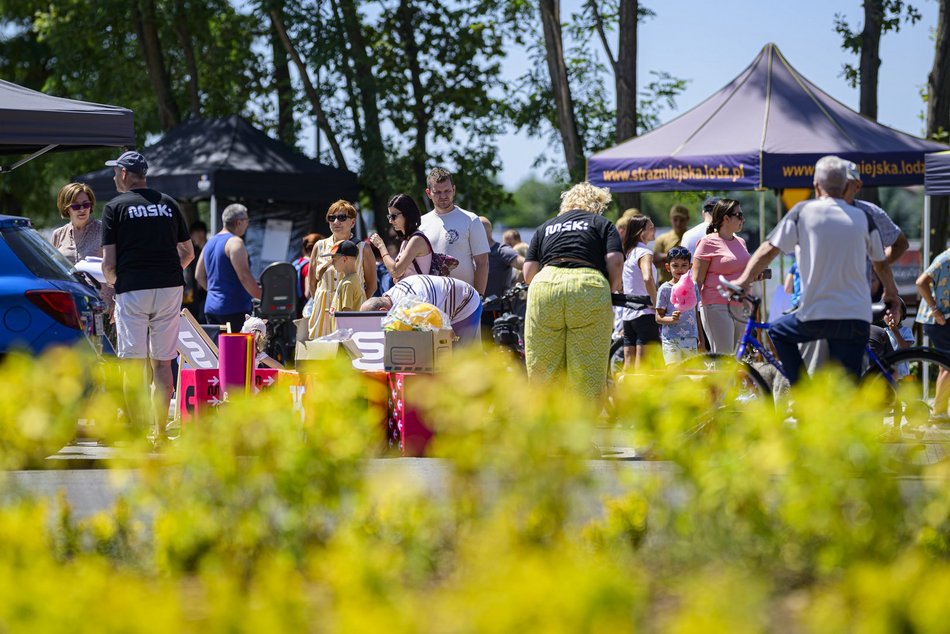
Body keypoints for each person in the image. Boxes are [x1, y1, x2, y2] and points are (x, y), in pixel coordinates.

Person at [731, 155, 900, 385]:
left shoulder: (802, 212)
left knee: (778, 331)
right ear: (845, 186)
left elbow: (767, 251)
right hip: (856, 315)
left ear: (815, 185)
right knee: (848, 386)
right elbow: (880, 263)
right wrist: (891, 293)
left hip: (816, 314)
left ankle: (803, 392)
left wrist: (743, 281)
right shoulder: (863, 217)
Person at [100, 150, 194, 442]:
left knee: (133, 364)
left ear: (125, 174)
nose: (115, 177)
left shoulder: (114, 207)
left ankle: (139, 435)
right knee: (163, 363)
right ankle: (161, 434)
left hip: (133, 289)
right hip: (169, 286)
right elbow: (188, 253)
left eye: (116, 172)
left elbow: (107, 264)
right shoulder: (168, 204)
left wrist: (119, 284)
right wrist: (164, 272)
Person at [522, 182, 623, 402]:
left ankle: (544, 428)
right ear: (597, 205)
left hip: (546, 285)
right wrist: (611, 289)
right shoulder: (602, 224)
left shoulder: (545, 227)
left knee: (543, 369)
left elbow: (528, 273)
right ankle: (582, 431)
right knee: (587, 371)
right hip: (588, 285)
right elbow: (614, 261)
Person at [306, 200, 377, 338]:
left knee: (350, 353)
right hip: (323, 313)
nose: (336, 221)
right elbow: (312, 283)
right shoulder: (319, 246)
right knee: (322, 355)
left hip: (351, 312)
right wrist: (320, 301)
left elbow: (372, 285)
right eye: (332, 218)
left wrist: (358, 303)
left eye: (342, 217)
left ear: (352, 222)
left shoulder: (364, 249)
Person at [51, 182, 116, 332]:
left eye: (86, 204)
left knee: (104, 354)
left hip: (102, 308)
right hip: (69, 309)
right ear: (66, 207)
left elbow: (117, 267)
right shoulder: (58, 234)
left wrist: (115, 301)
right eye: (76, 206)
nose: (82, 209)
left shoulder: (104, 231)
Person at [692, 199, 750, 354]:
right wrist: (692, 314)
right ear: (726, 218)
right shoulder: (707, 242)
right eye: (739, 215)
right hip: (715, 304)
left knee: (738, 361)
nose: (742, 219)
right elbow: (697, 280)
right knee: (724, 359)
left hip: (740, 304)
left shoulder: (741, 242)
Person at [420, 167, 490, 294]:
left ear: (454, 190)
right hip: (431, 297)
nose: (443, 196)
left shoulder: (470, 220)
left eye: (447, 191)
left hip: (464, 298)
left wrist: (479, 296)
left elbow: (482, 262)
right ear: (428, 193)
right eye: (437, 192)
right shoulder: (421, 224)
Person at [360, 275, 483, 346]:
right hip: (444, 300)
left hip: (465, 301)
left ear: (382, 311)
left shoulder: (410, 302)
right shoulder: (390, 298)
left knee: (459, 353)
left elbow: (433, 330)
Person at [195, 204, 261, 336]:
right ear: (239, 222)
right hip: (234, 309)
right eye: (247, 220)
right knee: (236, 354)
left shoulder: (210, 242)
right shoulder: (235, 242)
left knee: (218, 353)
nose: (247, 224)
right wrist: (262, 297)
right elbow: (244, 276)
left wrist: (216, 293)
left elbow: (199, 275)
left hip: (211, 308)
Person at [621, 215, 659, 371]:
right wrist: (657, 304)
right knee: (643, 365)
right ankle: (637, 396)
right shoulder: (644, 252)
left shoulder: (628, 253)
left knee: (628, 362)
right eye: (650, 227)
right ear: (640, 232)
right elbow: (647, 278)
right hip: (645, 312)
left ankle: (620, 395)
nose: (654, 230)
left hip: (628, 313)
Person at [916, 247, 950, 417]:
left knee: (945, 367)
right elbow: (920, 282)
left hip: (943, 319)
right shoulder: (946, 258)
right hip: (937, 319)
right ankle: (938, 411)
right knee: (948, 366)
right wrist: (935, 309)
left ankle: (940, 411)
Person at [369, 193, 432, 282]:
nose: (390, 221)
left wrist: (381, 246)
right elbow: (396, 275)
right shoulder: (407, 241)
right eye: (389, 217)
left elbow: (395, 271)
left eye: (393, 216)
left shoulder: (416, 240)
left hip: (418, 294)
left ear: (407, 214)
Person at [655, 246, 700, 364]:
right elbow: (658, 317)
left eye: (684, 265)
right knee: (674, 372)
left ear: (690, 266)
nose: (680, 269)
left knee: (691, 373)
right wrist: (671, 319)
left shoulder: (693, 286)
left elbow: (697, 314)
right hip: (671, 338)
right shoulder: (664, 289)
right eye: (675, 265)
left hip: (691, 337)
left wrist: (702, 340)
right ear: (667, 267)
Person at [479, 216, 524, 327]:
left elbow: (523, 263)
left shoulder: (500, 250)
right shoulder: (473, 252)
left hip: (495, 310)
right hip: (476, 310)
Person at [328, 240, 367, 330]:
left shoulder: (348, 283)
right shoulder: (350, 279)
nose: (332, 263)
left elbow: (347, 315)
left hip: (344, 334)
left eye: (334, 260)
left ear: (345, 259)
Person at [653, 204, 690, 284]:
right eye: (675, 219)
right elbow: (655, 261)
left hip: (687, 285)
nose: (678, 223)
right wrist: (683, 261)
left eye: (682, 220)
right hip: (666, 284)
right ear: (670, 219)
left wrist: (666, 258)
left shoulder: (691, 237)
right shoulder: (662, 239)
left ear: (688, 219)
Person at [182, 220, 208, 322]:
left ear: (201, 233)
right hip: (197, 295)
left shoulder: (206, 249)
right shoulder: (195, 251)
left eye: (193, 235)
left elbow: (199, 275)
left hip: (205, 293)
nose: (192, 239)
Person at [292, 232, 322, 311]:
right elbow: (308, 293)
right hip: (305, 309)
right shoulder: (310, 266)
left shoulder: (297, 262)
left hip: (295, 308)